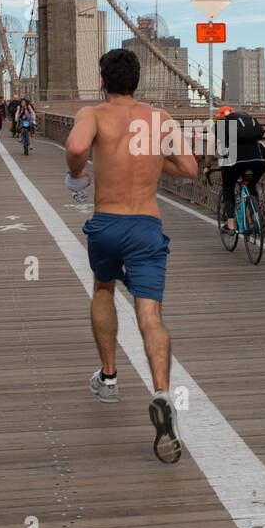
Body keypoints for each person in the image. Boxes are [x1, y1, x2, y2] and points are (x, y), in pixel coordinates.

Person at [65, 49, 197, 464]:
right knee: (151, 315)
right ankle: (160, 391)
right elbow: (190, 168)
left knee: (103, 289)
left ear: (102, 81)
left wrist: (76, 173)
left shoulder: (95, 114)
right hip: (145, 225)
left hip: (107, 223)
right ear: (137, 82)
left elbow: (75, 146)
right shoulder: (160, 120)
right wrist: (155, 164)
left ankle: (108, 379)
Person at [205, 105, 265, 234]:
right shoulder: (246, 121)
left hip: (234, 160)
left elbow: (210, 147)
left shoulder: (220, 125)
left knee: (228, 187)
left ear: (219, 119)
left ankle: (231, 225)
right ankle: (257, 221)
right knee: (251, 186)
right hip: (258, 159)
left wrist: (207, 166)